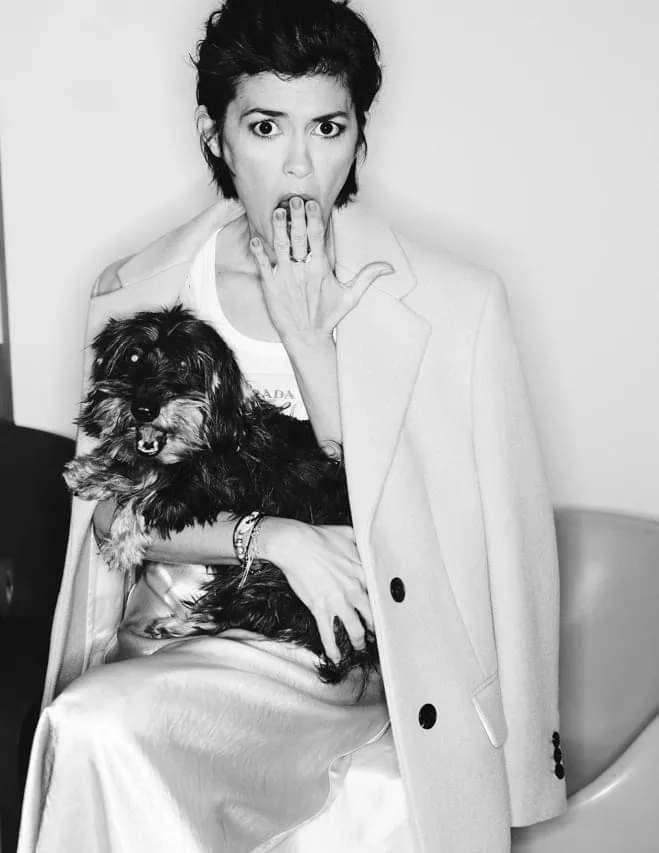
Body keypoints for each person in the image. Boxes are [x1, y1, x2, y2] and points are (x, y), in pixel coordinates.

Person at [17, 1, 568, 850]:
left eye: (329, 127)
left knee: (102, 727)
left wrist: (310, 340)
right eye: (267, 126)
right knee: (93, 726)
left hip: (329, 659)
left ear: (358, 136)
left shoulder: (455, 304)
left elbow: (489, 540)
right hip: (160, 644)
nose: (301, 164)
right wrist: (270, 538)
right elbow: (114, 514)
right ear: (215, 135)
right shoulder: (137, 288)